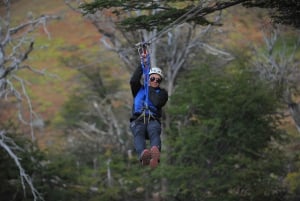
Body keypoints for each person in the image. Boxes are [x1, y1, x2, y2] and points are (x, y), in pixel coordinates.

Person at [129, 59, 168, 168]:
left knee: (154, 131)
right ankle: (143, 154)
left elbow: (157, 102)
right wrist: (142, 65)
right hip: (138, 120)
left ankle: (155, 153)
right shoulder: (138, 90)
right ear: (148, 78)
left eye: (158, 80)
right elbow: (133, 80)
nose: (155, 81)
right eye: (152, 78)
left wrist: (149, 87)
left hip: (152, 119)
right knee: (138, 133)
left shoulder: (162, 93)